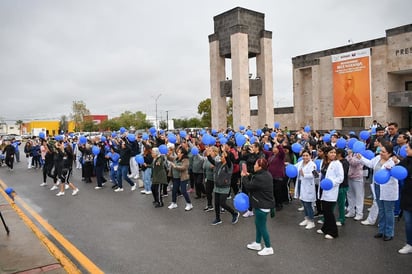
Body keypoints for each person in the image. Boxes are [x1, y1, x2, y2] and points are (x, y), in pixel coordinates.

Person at [358, 142, 398, 241]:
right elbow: (370, 164)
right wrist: (361, 158)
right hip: (377, 186)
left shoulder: (393, 162)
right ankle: (381, 231)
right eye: (381, 151)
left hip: (388, 189)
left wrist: (395, 164)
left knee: (388, 211)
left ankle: (389, 232)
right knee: (381, 209)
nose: (381, 153)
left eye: (384, 152)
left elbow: (398, 173)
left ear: (389, 153)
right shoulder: (377, 158)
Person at [242, 158, 276, 256]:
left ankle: (268, 247)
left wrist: (244, 177)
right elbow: (256, 178)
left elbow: (248, 186)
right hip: (263, 203)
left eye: (256, 164)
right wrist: (250, 175)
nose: (254, 165)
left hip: (262, 205)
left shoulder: (260, 177)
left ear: (260, 166)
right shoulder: (266, 174)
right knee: (258, 224)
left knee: (262, 226)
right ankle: (257, 243)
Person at [206, 145, 239, 225]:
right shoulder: (219, 163)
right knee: (216, 203)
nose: (221, 157)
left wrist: (224, 151)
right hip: (217, 186)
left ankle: (234, 213)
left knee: (222, 203)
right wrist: (208, 153)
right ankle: (218, 218)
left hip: (225, 187)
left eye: (223, 156)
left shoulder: (229, 165)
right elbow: (210, 159)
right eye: (221, 156)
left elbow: (227, 159)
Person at [317, 146, 344, 240]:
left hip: (331, 189)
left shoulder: (337, 164)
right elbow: (322, 174)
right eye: (331, 152)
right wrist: (316, 175)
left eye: (334, 152)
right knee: (325, 210)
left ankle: (333, 232)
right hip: (322, 189)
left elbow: (341, 178)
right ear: (326, 154)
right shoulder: (324, 162)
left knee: (329, 211)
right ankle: (325, 228)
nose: (333, 154)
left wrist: (331, 183)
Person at [294, 150, 317, 229]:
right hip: (301, 184)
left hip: (308, 186)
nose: (305, 157)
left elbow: (315, 175)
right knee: (303, 203)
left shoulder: (313, 165)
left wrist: (305, 175)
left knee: (308, 205)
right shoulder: (301, 163)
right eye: (303, 155)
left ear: (310, 156)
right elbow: (294, 167)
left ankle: (311, 221)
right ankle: (307, 218)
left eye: (307, 155)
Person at [396, 142, 412, 254]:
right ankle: (410, 243)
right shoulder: (406, 160)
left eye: (408, 148)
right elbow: (397, 169)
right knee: (408, 222)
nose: (406, 150)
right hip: (407, 196)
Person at [167, 146, 193, 211]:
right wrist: (167, 154)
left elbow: (184, 168)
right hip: (175, 177)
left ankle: (189, 204)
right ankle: (174, 203)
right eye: (178, 152)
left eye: (179, 152)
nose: (177, 153)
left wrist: (175, 166)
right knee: (174, 190)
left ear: (182, 154)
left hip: (183, 178)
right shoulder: (176, 158)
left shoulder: (186, 160)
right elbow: (170, 158)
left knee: (183, 191)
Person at [346, 148, 365, 221]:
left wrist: (349, 155)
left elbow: (353, 163)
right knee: (350, 195)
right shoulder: (352, 154)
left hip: (357, 177)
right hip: (350, 176)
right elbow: (347, 160)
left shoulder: (360, 155)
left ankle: (359, 213)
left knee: (359, 196)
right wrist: (350, 155)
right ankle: (351, 211)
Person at [335, 148, 349, 226]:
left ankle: (341, 219)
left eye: (335, 152)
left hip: (342, 186)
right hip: (336, 185)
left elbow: (343, 174)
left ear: (339, 154)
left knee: (341, 203)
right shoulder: (336, 162)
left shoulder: (344, 163)